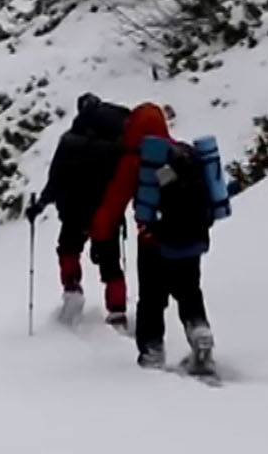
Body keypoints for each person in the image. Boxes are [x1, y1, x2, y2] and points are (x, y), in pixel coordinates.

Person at [89, 102, 218, 371]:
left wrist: (100, 237)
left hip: (153, 243)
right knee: (190, 291)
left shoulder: (137, 160)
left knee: (151, 301)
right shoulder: (186, 153)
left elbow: (113, 205)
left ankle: (152, 352)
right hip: (192, 240)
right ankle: (200, 332)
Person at [26, 93, 130, 327]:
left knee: (68, 250)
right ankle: (117, 311)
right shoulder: (116, 146)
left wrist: (40, 205)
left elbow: (55, 180)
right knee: (111, 264)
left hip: (73, 211)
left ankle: (72, 289)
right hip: (106, 213)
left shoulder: (69, 141)